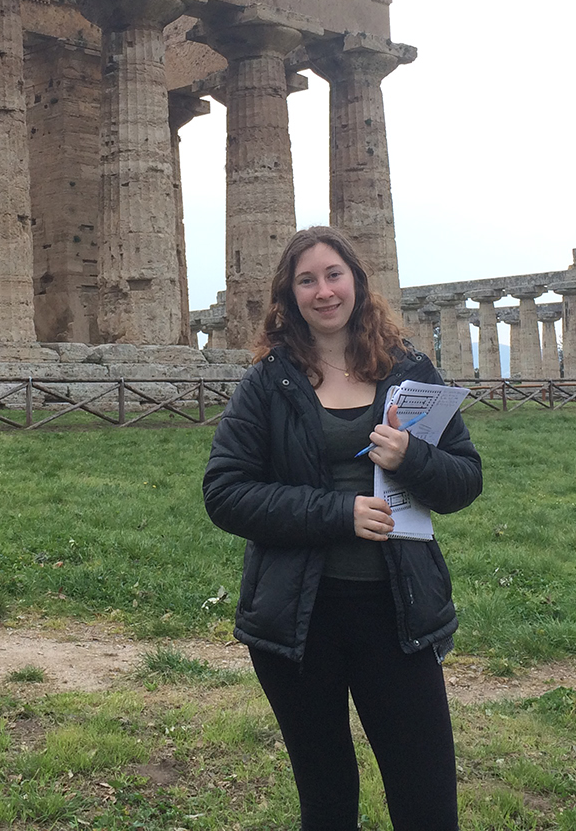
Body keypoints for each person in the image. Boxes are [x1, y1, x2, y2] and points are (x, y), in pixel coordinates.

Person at [203, 226, 482, 831]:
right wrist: (339, 514)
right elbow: (225, 494)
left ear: (356, 280)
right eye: (307, 280)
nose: (324, 291)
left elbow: (465, 480)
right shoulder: (267, 385)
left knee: (428, 803)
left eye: (334, 275)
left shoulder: (411, 371)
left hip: (396, 610)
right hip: (301, 619)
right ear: (289, 295)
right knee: (326, 803)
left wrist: (413, 456)